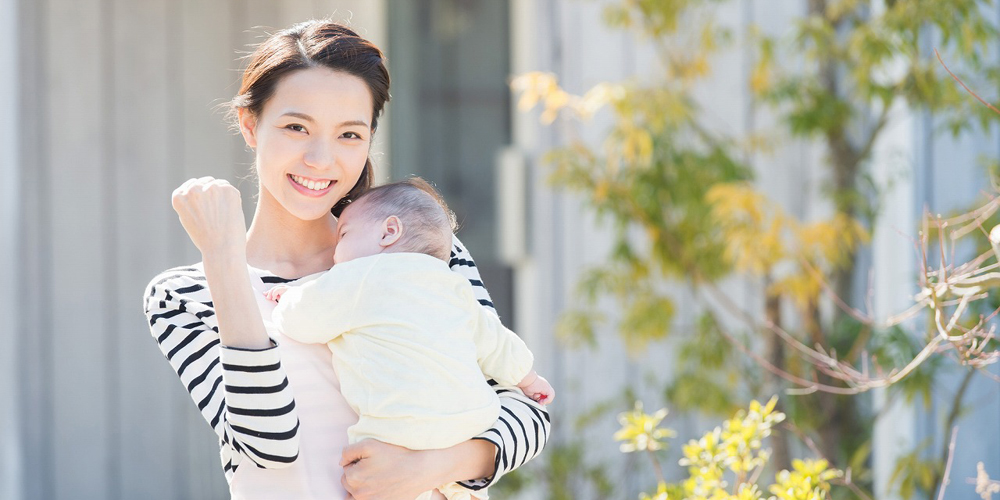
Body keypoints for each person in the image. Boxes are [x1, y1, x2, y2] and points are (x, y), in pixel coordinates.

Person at [142, 20, 550, 500]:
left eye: (349, 135)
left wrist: (428, 468)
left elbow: (527, 408)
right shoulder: (185, 295)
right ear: (250, 125)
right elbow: (266, 443)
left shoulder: (414, 257)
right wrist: (223, 259)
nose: (321, 159)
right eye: (297, 127)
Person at [265, 179, 553, 500]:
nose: (336, 252)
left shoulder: (359, 275)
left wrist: (288, 298)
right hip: (472, 423)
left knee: (368, 471)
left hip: (398, 427)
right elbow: (495, 341)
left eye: (344, 235)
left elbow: (305, 320)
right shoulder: (454, 284)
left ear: (389, 231)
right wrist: (529, 377)